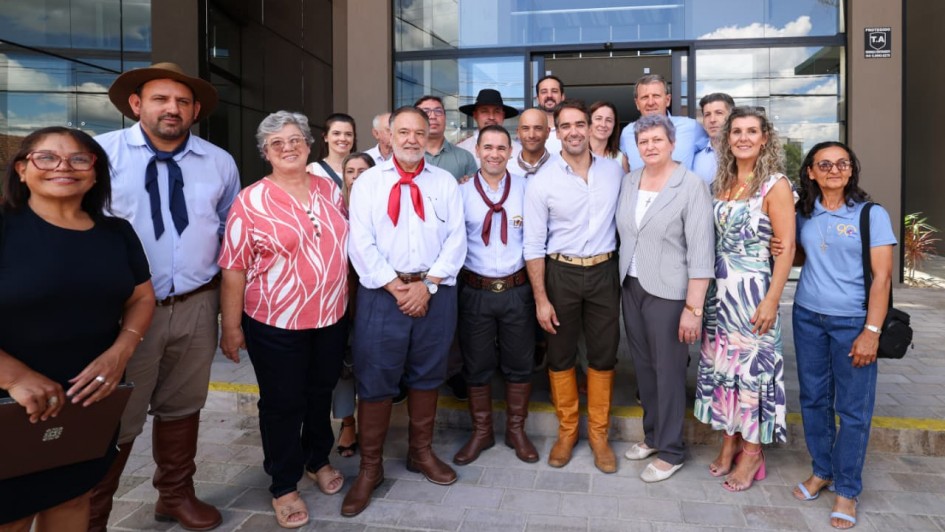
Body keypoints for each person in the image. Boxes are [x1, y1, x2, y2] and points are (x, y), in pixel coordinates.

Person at [89, 62, 241, 531]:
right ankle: (93, 515)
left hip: (196, 303)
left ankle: (174, 494)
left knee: (183, 404)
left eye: (181, 101)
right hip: (124, 312)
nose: (171, 109)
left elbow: (228, 230)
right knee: (118, 415)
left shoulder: (219, 162)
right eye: (160, 99)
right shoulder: (102, 155)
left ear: (195, 110)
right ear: (137, 104)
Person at [0, 127, 155, 530]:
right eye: (47, 157)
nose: (64, 167)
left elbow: (141, 298)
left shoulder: (115, 233)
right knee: (10, 513)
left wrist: (121, 351)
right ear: (21, 169)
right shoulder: (4, 228)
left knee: (73, 500)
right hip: (9, 403)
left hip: (87, 399)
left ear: (95, 171)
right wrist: (14, 376)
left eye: (78, 159)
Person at [217, 111, 348, 529]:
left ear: (310, 145)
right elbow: (234, 267)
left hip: (330, 315)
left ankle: (317, 458)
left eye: (296, 140)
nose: (288, 147)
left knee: (319, 392)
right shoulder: (250, 200)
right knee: (282, 403)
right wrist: (232, 327)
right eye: (278, 143)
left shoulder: (330, 189)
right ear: (265, 153)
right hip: (275, 321)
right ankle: (284, 483)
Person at [343, 106, 466, 517]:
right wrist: (396, 287)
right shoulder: (368, 184)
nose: (412, 139)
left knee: (428, 372)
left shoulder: (445, 182)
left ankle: (420, 453)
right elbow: (359, 241)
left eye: (419, 131)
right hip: (383, 293)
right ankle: (370, 468)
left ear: (428, 134)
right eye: (404, 132)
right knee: (376, 378)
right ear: (388, 136)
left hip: (434, 292)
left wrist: (427, 286)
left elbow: (456, 239)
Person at [791, 141, 895, 530]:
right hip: (807, 318)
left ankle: (847, 489)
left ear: (851, 171)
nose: (834, 169)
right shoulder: (804, 213)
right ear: (811, 172)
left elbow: (882, 278)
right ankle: (822, 470)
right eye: (825, 164)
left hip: (853, 321)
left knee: (853, 410)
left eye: (842, 163)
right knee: (814, 399)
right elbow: (803, 255)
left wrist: (871, 331)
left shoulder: (871, 214)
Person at [694, 106, 796, 492]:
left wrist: (772, 300)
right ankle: (729, 441)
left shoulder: (776, 185)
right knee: (725, 371)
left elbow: (786, 250)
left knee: (752, 374)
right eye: (736, 131)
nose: (743, 138)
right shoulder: (722, 182)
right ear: (727, 138)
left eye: (751, 131)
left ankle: (752, 452)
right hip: (720, 296)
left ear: (765, 138)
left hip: (754, 293)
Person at [523, 99, 623, 473]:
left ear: (592, 127)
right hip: (560, 273)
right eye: (565, 126)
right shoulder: (541, 182)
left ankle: (598, 436)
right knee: (561, 354)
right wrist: (540, 299)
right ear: (556, 132)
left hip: (603, 272)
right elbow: (532, 245)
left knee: (604, 354)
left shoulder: (615, 171)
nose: (574, 131)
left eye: (580, 124)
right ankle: (567, 431)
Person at [616, 115, 714, 482]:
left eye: (658, 140)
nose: (651, 147)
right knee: (644, 370)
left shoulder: (690, 185)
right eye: (644, 142)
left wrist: (693, 307)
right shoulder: (629, 181)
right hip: (632, 285)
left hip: (671, 293)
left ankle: (672, 451)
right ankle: (654, 436)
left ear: (673, 143)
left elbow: (702, 251)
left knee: (669, 372)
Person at [453, 125, 539, 466]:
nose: (494, 153)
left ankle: (517, 431)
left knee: (520, 363)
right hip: (476, 290)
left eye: (501, 148)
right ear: (477, 150)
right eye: (487, 147)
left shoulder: (526, 189)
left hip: (517, 289)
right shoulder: (460, 192)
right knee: (476, 365)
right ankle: (482, 431)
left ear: (511, 152)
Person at [333, 151, 377, 458]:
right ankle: (348, 422)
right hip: (337, 296)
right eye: (351, 171)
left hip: (372, 294)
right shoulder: (332, 208)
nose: (357, 176)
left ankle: (373, 426)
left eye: (363, 170)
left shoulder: (381, 205)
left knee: (371, 360)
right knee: (342, 364)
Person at [618, 74, 709, 172]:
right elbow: (625, 167)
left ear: (667, 100)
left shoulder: (691, 127)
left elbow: (711, 151)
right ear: (637, 104)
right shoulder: (627, 133)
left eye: (656, 96)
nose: (651, 102)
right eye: (645, 97)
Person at [415, 95, 477, 181]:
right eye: (426, 112)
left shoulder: (465, 157)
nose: (433, 116)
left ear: (445, 117)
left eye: (438, 111)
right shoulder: (404, 156)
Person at [456, 89, 522, 166]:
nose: (491, 117)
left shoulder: (519, 152)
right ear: (475, 115)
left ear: (503, 115)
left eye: (497, 111)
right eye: (485, 111)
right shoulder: (461, 150)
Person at [692, 93, 735, 184]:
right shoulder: (694, 158)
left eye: (719, 113)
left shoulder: (743, 153)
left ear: (732, 117)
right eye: (707, 115)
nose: (712, 120)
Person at [306, 113, 357, 188]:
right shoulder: (313, 170)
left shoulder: (364, 168)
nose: (343, 138)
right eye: (336, 133)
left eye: (348, 134)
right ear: (326, 137)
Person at [510, 108, 552, 179]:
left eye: (538, 128)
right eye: (525, 128)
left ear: (547, 132)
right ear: (518, 133)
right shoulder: (507, 169)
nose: (531, 135)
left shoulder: (561, 168)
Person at [589, 101, 630, 173]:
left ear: (614, 125)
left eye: (609, 120)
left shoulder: (620, 159)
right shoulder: (577, 153)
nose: (603, 124)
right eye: (598, 118)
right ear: (588, 122)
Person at [535, 75, 565, 154]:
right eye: (544, 92)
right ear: (537, 99)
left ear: (562, 97)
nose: (549, 95)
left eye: (554, 91)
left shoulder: (573, 130)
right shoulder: (530, 132)